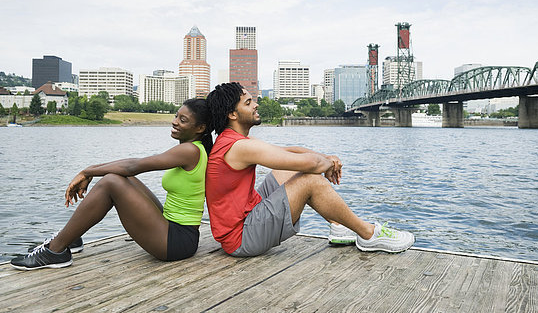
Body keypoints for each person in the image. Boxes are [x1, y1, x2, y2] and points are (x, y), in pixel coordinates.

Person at [205, 82, 414, 257]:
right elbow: (311, 165)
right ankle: (368, 234)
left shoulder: (235, 140)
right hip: (242, 238)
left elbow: (291, 152)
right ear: (232, 114)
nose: (256, 105)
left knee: (284, 171)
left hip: (246, 218)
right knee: (309, 181)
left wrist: (326, 158)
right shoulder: (239, 147)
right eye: (248, 103)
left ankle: (339, 226)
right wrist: (328, 164)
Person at [11, 98, 213, 270]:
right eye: (176, 116)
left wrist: (88, 171)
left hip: (177, 241)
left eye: (183, 120)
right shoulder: (193, 149)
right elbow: (129, 170)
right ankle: (70, 238)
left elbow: (134, 165)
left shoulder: (190, 151)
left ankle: (55, 251)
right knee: (122, 179)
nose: (175, 122)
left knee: (111, 182)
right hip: (172, 229)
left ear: (200, 128)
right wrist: (89, 171)